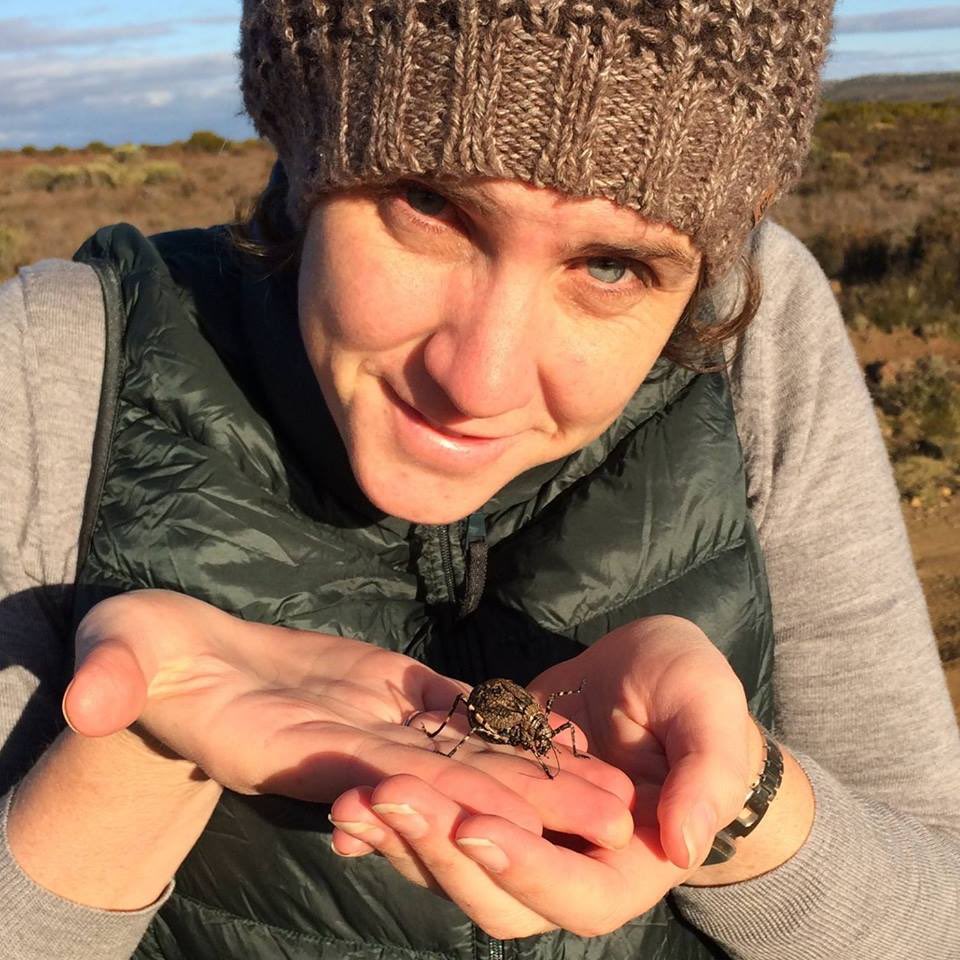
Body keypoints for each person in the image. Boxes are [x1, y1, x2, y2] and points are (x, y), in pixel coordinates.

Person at [1, 1, 958, 958]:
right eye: (431, 204)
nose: (477, 381)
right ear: (307, 144)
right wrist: (140, 746)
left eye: (614, 266)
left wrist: (740, 801)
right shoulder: (62, 366)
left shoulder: (755, 339)